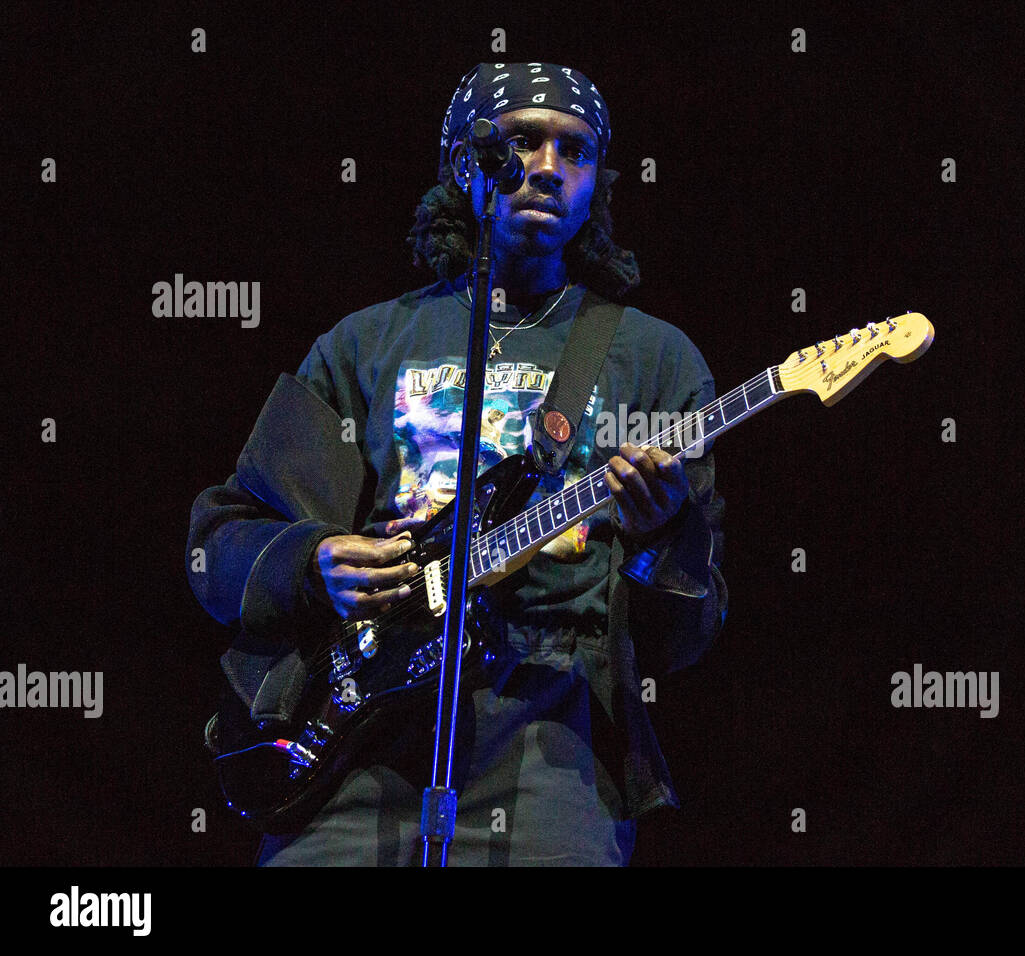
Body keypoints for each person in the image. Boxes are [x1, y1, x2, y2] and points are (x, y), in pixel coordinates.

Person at [186, 62, 727, 866]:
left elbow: (688, 633)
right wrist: (313, 562)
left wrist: (658, 536)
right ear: (463, 167)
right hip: (357, 742)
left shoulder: (653, 358)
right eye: (521, 143)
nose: (547, 166)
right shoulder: (366, 343)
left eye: (574, 151)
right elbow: (224, 536)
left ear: (595, 185)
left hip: (551, 738)